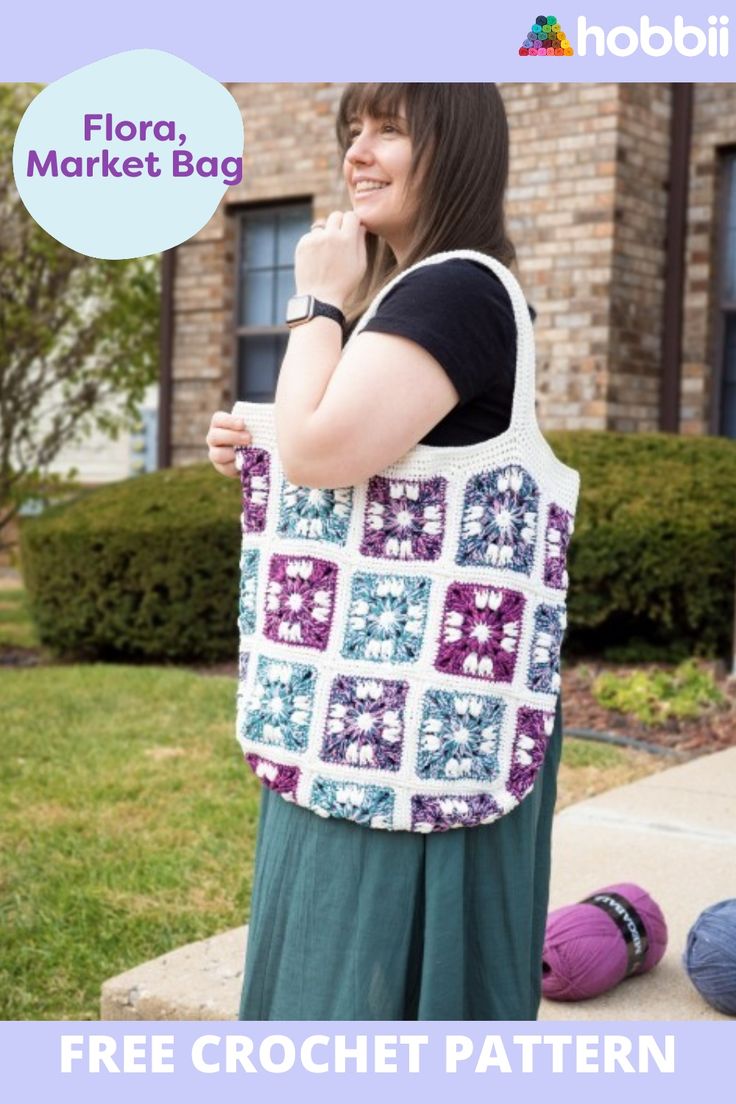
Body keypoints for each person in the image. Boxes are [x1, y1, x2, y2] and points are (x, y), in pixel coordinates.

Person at [206, 83, 565, 1020]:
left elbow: (325, 454)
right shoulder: (422, 292)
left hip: (403, 723)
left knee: (362, 982)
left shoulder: (453, 287)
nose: (357, 153)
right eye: (351, 132)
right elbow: (360, 459)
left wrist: (316, 300)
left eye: (391, 130)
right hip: (374, 711)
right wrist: (261, 441)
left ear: (458, 149)